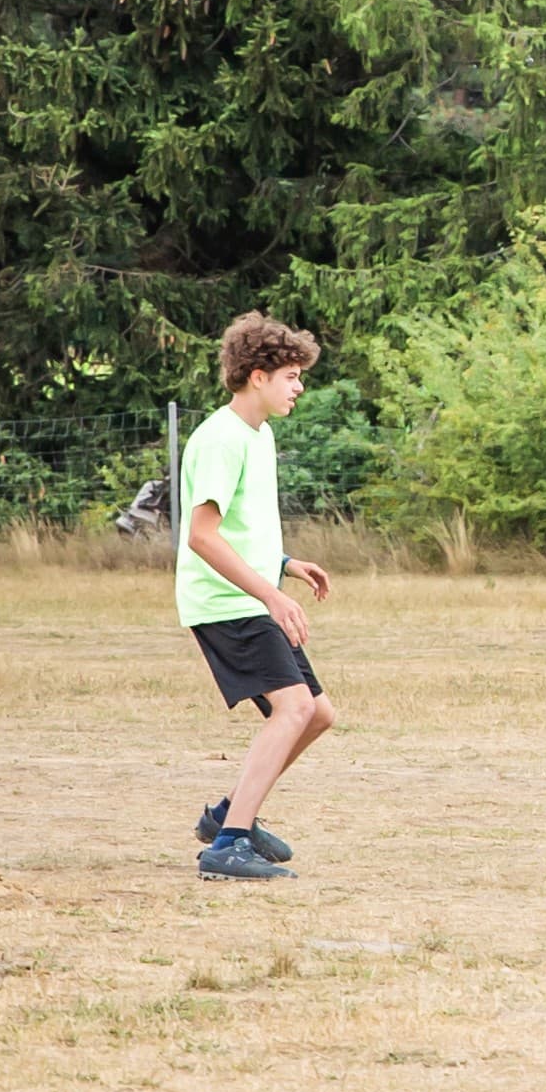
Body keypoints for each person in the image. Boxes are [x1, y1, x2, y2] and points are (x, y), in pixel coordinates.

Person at [178, 313, 340, 882]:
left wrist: (285, 566)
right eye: (292, 376)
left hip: (250, 594)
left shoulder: (259, 434)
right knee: (293, 708)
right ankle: (227, 845)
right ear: (255, 376)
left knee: (316, 714)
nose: (299, 387)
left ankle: (229, 813)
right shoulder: (221, 438)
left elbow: (242, 533)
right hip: (225, 602)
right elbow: (202, 536)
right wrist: (271, 595)